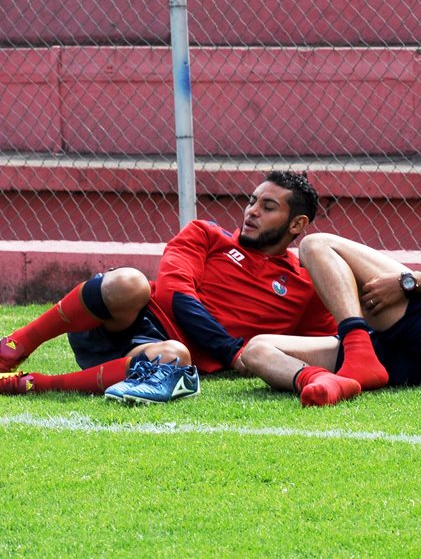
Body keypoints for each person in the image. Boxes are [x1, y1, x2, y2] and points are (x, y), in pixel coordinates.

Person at [0, 171, 336, 403]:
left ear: (297, 224)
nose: (251, 211)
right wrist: (230, 350)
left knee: (175, 355)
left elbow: (330, 344)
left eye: (268, 207)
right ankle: (16, 344)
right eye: (252, 201)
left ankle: (34, 384)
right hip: (122, 319)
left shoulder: (306, 287)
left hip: (154, 354)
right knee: (129, 281)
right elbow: (176, 294)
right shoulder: (207, 234)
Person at [239, 164, 421, 407]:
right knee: (258, 349)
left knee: (317, 244)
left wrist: (407, 282)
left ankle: (358, 352)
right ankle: (321, 381)